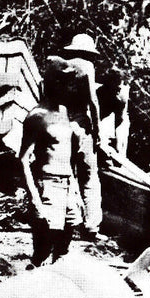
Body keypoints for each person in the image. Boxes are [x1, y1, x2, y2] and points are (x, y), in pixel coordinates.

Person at [19, 57, 87, 267]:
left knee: (63, 249)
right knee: (43, 248)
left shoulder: (65, 113)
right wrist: (34, 198)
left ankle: (55, 294)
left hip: (67, 185)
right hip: (47, 185)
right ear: (54, 83)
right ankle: (29, 290)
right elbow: (22, 159)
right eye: (65, 82)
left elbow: (69, 156)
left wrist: (75, 192)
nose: (70, 87)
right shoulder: (37, 116)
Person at [58, 33, 104, 239]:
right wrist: (98, 131)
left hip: (63, 124)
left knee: (67, 173)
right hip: (82, 125)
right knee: (89, 176)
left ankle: (72, 220)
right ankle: (92, 226)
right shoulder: (87, 67)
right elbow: (93, 102)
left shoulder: (61, 67)